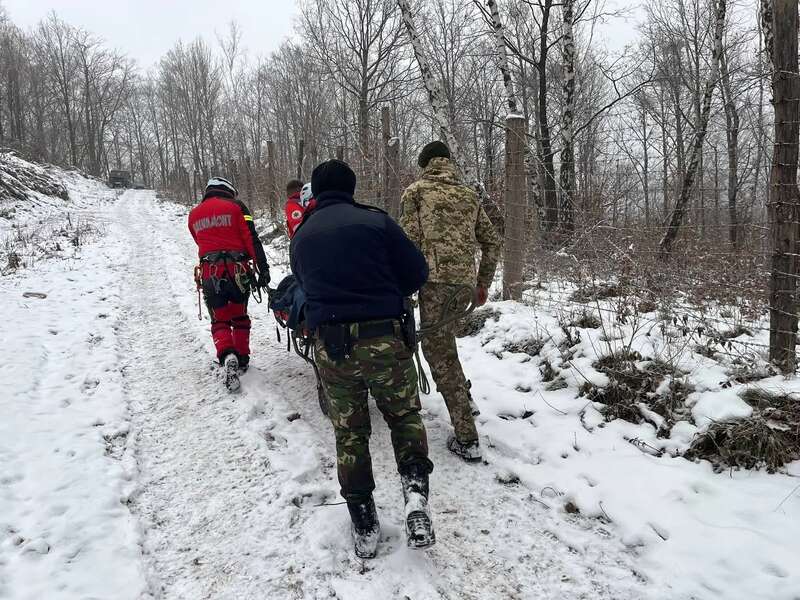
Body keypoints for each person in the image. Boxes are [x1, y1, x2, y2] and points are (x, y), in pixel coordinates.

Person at [290, 159, 434, 558]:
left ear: (315, 194)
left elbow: (303, 285)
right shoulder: (378, 222)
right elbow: (417, 273)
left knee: (350, 432)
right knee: (404, 417)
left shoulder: (302, 236)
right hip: (385, 340)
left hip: (334, 347)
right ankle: (416, 494)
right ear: (352, 188)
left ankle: (364, 521)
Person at [399, 141, 501, 462]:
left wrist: (404, 289)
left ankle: (467, 437)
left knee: (437, 354)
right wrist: (482, 284)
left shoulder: (415, 193)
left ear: (425, 164)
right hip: (464, 289)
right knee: (445, 347)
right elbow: (492, 241)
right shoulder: (469, 195)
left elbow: (408, 245)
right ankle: (465, 400)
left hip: (435, 286)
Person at [188, 176, 270, 390]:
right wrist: (263, 269)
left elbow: (199, 240)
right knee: (240, 316)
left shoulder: (194, 214)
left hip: (210, 273)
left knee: (220, 319)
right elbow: (251, 239)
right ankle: (242, 356)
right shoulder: (237, 207)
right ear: (228, 191)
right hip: (238, 271)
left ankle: (227, 355)